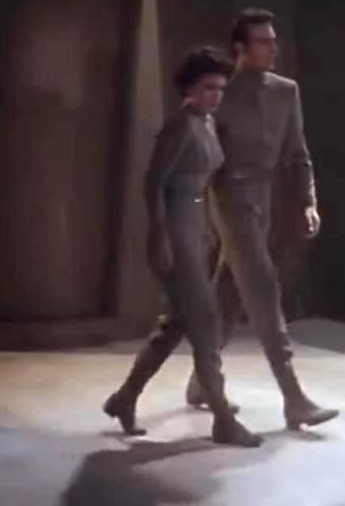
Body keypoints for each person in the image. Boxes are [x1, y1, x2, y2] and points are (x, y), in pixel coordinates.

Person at [186, 8, 339, 431]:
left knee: (229, 295)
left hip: (262, 203)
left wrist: (308, 202)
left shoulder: (286, 92)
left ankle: (200, 381)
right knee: (263, 289)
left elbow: (299, 155)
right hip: (228, 200)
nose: (273, 47)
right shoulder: (219, 92)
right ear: (241, 48)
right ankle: (294, 399)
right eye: (263, 41)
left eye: (274, 39)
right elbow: (199, 156)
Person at [102, 47, 261, 447]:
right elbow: (153, 184)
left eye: (220, 88)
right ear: (188, 88)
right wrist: (159, 235)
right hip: (175, 229)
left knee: (176, 324)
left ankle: (124, 398)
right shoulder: (178, 128)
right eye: (208, 87)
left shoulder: (206, 123)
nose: (216, 95)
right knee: (205, 322)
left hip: (195, 225)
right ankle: (222, 418)